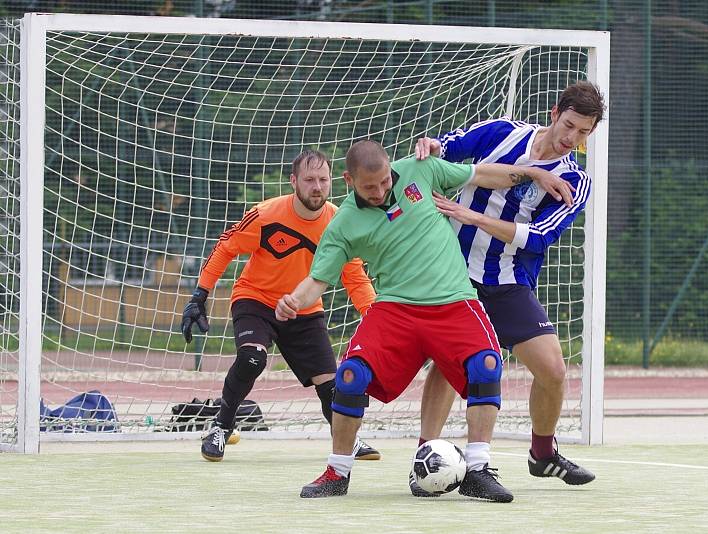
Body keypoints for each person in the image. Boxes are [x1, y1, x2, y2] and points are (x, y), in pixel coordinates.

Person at [275, 140, 576, 502]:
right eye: (370, 187)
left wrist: (532, 174)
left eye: (386, 182)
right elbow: (317, 282)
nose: (381, 191)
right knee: (351, 376)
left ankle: (478, 469)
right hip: (394, 309)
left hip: (455, 302)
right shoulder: (342, 225)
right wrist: (294, 300)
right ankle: (337, 471)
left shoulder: (421, 169)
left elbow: (480, 174)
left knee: (487, 364)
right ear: (348, 180)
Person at [411, 80, 606, 493]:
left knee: (553, 369)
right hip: (453, 273)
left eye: (584, 132)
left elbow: (536, 238)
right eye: (569, 125)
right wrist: (429, 146)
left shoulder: (576, 180)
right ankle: (425, 457)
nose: (573, 138)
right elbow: (449, 148)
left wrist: (472, 216)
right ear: (555, 113)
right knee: (450, 365)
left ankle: (542, 453)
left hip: (507, 281)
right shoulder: (503, 132)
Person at [181, 149, 381, 463]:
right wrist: (199, 296)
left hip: (305, 310)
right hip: (257, 300)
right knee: (251, 359)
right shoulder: (265, 215)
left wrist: (375, 318)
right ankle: (221, 426)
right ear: (293, 182)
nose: (317, 186)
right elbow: (225, 248)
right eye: (309, 179)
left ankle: (348, 440)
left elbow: (354, 277)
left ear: (332, 182)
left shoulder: (339, 223)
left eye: (323, 180)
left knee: (331, 383)